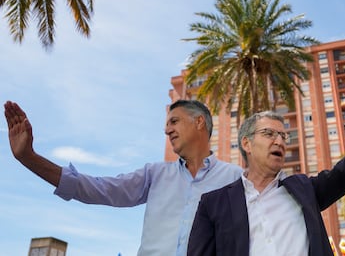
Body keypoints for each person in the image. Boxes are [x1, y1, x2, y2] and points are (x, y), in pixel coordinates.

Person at [187, 40, 345, 256]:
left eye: (282, 135)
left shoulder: (305, 190)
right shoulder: (213, 204)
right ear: (246, 143)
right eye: (269, 134)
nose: (279, 141)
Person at [4, 99, 243, 256]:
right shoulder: (155, 174)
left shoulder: (236, 179)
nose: (167, 129)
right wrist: (29, 157)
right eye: (166, 124)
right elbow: (99, 189)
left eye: (174, 121)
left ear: (199, 122)